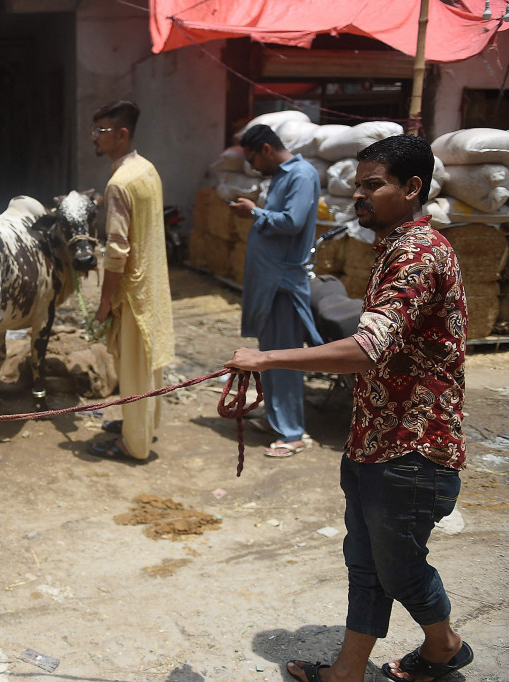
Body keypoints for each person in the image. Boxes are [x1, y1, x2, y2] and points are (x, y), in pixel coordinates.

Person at [226, 134, 472, 682]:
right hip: (375, 441)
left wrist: (266, 358)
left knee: (399, 569)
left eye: (373, 185)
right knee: (366, 567)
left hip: (413, 447)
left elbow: (366, 348)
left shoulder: (419, 254)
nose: (359, 197)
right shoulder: (393, 248)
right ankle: (349, 670)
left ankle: (445, 645)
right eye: (357, 186)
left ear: (412, 188)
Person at [229, 123, 323, 458]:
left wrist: (254, 212)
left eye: (253, 159)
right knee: (269, 354)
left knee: (282, 356)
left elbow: (293, 222)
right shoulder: (281, 177)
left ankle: (292, 433)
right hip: (269, 282)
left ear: (267, 149)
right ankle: (276, 418)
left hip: (282, 283)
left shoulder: (300, 175)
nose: (253, 167)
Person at [89, 100, 174, 462]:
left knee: (134, 369)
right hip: (152, 285)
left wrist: (105, 300)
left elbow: (116, 251)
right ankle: (141, 426)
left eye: (101, 131)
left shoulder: (119, 183)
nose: (94, 138)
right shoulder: (146, 169)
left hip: (133, 292)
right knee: (147, 366)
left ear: (121, 135)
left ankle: (134, 444)